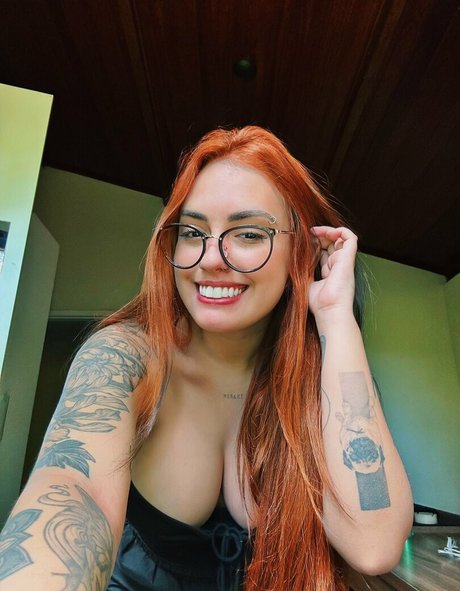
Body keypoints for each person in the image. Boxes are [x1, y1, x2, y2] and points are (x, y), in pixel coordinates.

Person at [0, 126, 413, 591]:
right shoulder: (123, 357)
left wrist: (336, 317)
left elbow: (374, 546)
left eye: (249, 233)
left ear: (300, 252)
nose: (210, 259)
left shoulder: (323, 380)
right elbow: (72, 490)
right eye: (193, 232)